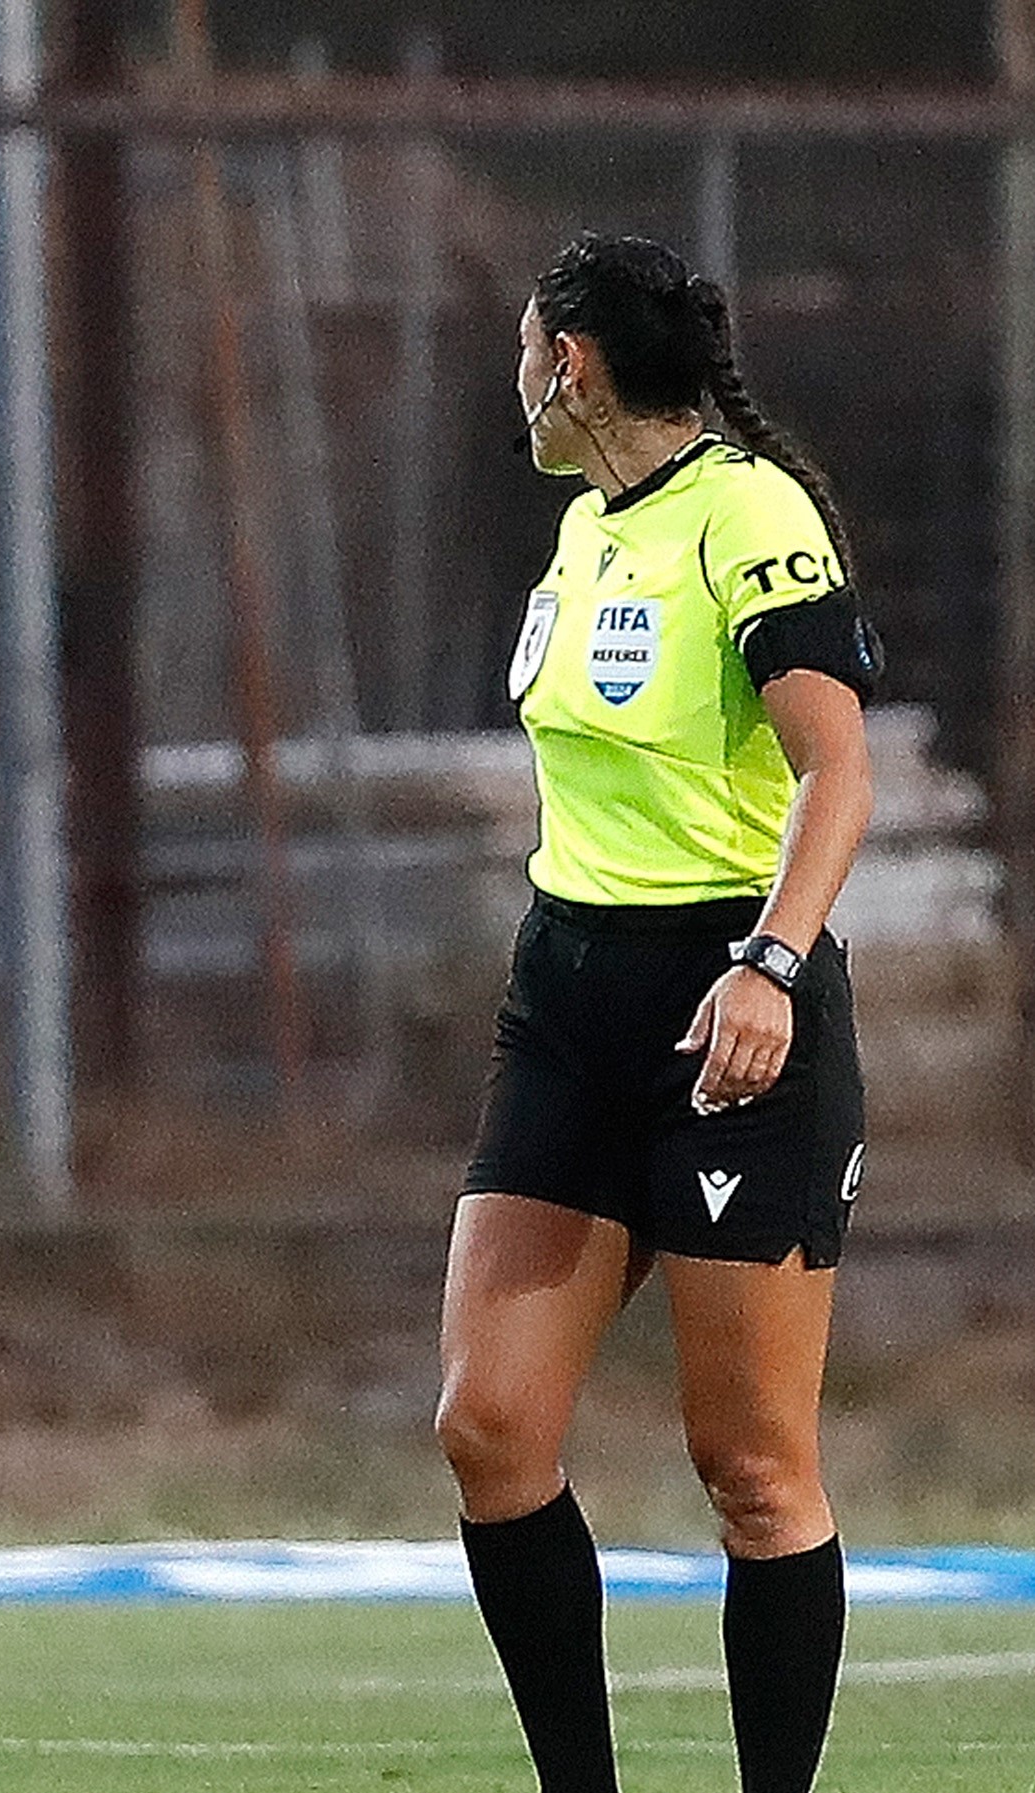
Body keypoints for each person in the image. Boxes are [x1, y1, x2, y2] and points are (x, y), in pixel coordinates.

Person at [437, 232, 883, 1793]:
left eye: (518, 347)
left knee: (750, 1471)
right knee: (487, 1428)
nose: (512, 375)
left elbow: (838, 767)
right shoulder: (580, 529)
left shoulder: (747, 513)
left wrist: (770, 962)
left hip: (724, 1005)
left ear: (568, 362)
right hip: (564, 998)